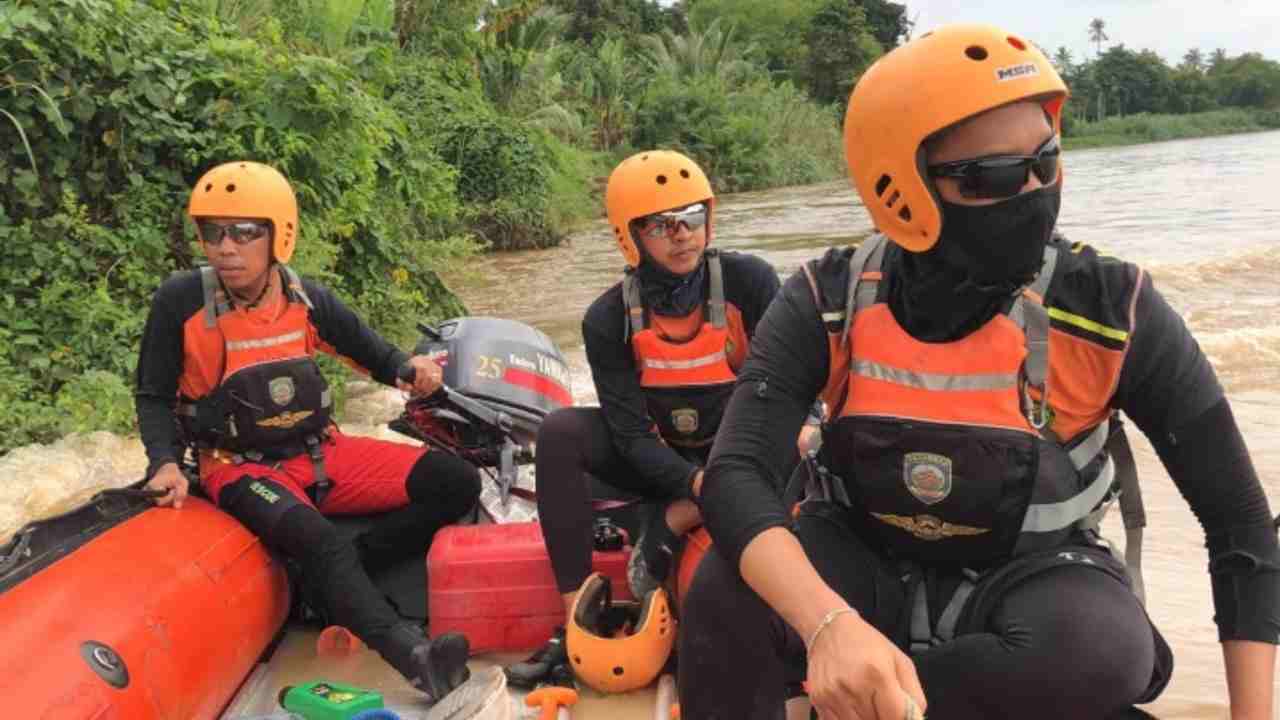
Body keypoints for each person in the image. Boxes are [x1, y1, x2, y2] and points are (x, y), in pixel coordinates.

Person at [678, 24, 1278, 720]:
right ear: (900, 190)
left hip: (1034, 573)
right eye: (994, 177)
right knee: (722, 594)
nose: (1035, 191)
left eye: (1045, 161)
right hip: (859, 563)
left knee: (1103, 652)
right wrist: (827, 625)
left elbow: (1239, 524)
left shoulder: (1111, 306)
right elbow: (737, 473)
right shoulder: (827, 297)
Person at [135, 161, 479, 702]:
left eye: (244, 232)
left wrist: (408, 369)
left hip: (322, 452)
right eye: (212, 232)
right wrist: (164, 461)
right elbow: (153, 395)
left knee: (456, 481)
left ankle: (345, 573)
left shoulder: (304, 297)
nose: (226, 248)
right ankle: (415, 659)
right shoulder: (180, 301)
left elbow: (371, 351)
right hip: (237, 468)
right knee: (319, 540)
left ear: (279, 234)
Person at [505, 150, 790, 688]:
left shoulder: (750, 282)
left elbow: (781, 392)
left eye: (692, 217)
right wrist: (697, 483)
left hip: (737, 449)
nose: (682, 235)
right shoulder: (606, 317)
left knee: (809, 437)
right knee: (559, 432)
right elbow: (631, 435)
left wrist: (725, 477)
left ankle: (675, 519)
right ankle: (575, 619)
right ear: (629, 235)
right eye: (661, 225)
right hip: (658, 457)